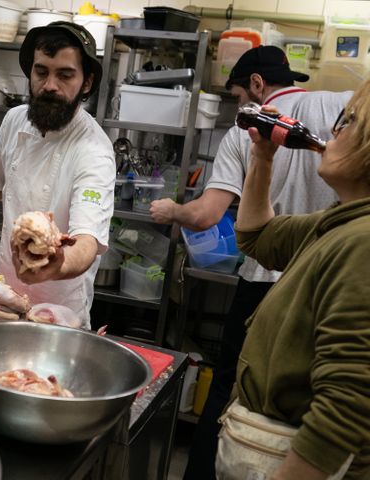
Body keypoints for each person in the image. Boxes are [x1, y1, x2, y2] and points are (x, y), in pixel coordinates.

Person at [147, 46, 352, 479]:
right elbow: (257, 232)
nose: (242, 107)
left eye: (240, 96)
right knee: (308, 397)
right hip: (322, 282)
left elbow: (205, 214)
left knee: (231, 388)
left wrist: (171, 211)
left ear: (257, 86)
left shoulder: (247, 126)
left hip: (267, 284)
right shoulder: (339, 106)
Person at [214, 78, 370, 479]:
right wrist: (262, 157)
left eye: (349, 123)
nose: (333, 133)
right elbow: (255, 234)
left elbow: (348, 401)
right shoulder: (338, 224)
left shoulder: (362, 242)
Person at [0, 22, 115, 329]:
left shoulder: (94, 151)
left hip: (59, 315)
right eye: (41, 72)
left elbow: (87, 243)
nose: (50, 85)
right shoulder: (15, 120)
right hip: (4, 297)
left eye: (64, 75)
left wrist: (55, 264)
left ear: (87, 83)